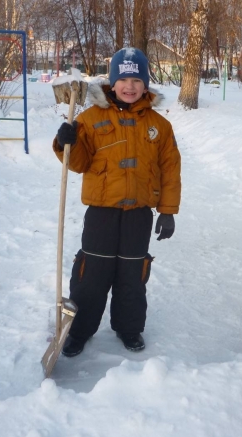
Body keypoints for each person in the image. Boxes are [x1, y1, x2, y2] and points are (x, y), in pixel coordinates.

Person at [52, 48, 181, 356]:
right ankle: (79, 330)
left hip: (139, 214)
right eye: (123, 79)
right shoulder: (90, 118)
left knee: (132, 276)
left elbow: (170, 170)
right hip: (101, 212)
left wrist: (167, 211)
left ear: (145, 83)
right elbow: (79, 162)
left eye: (136, 79)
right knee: (91, 274)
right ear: (112, 82)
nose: (130, 86)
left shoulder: (159, 126)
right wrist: (64, 141)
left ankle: (129, 328)